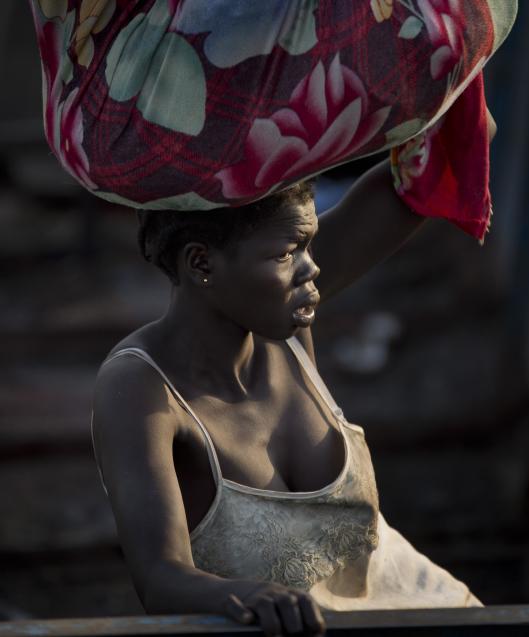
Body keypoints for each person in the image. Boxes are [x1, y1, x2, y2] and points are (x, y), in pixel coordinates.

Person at [91, 124, 495, 637]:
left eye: (309, 245)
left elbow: (441, 159)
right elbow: (159, 576)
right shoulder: (141, 389)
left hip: (444, 616)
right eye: (287, 254)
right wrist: (250, 596)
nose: (311, 269)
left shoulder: (285, 327)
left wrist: (451, 73)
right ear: (201, 263)